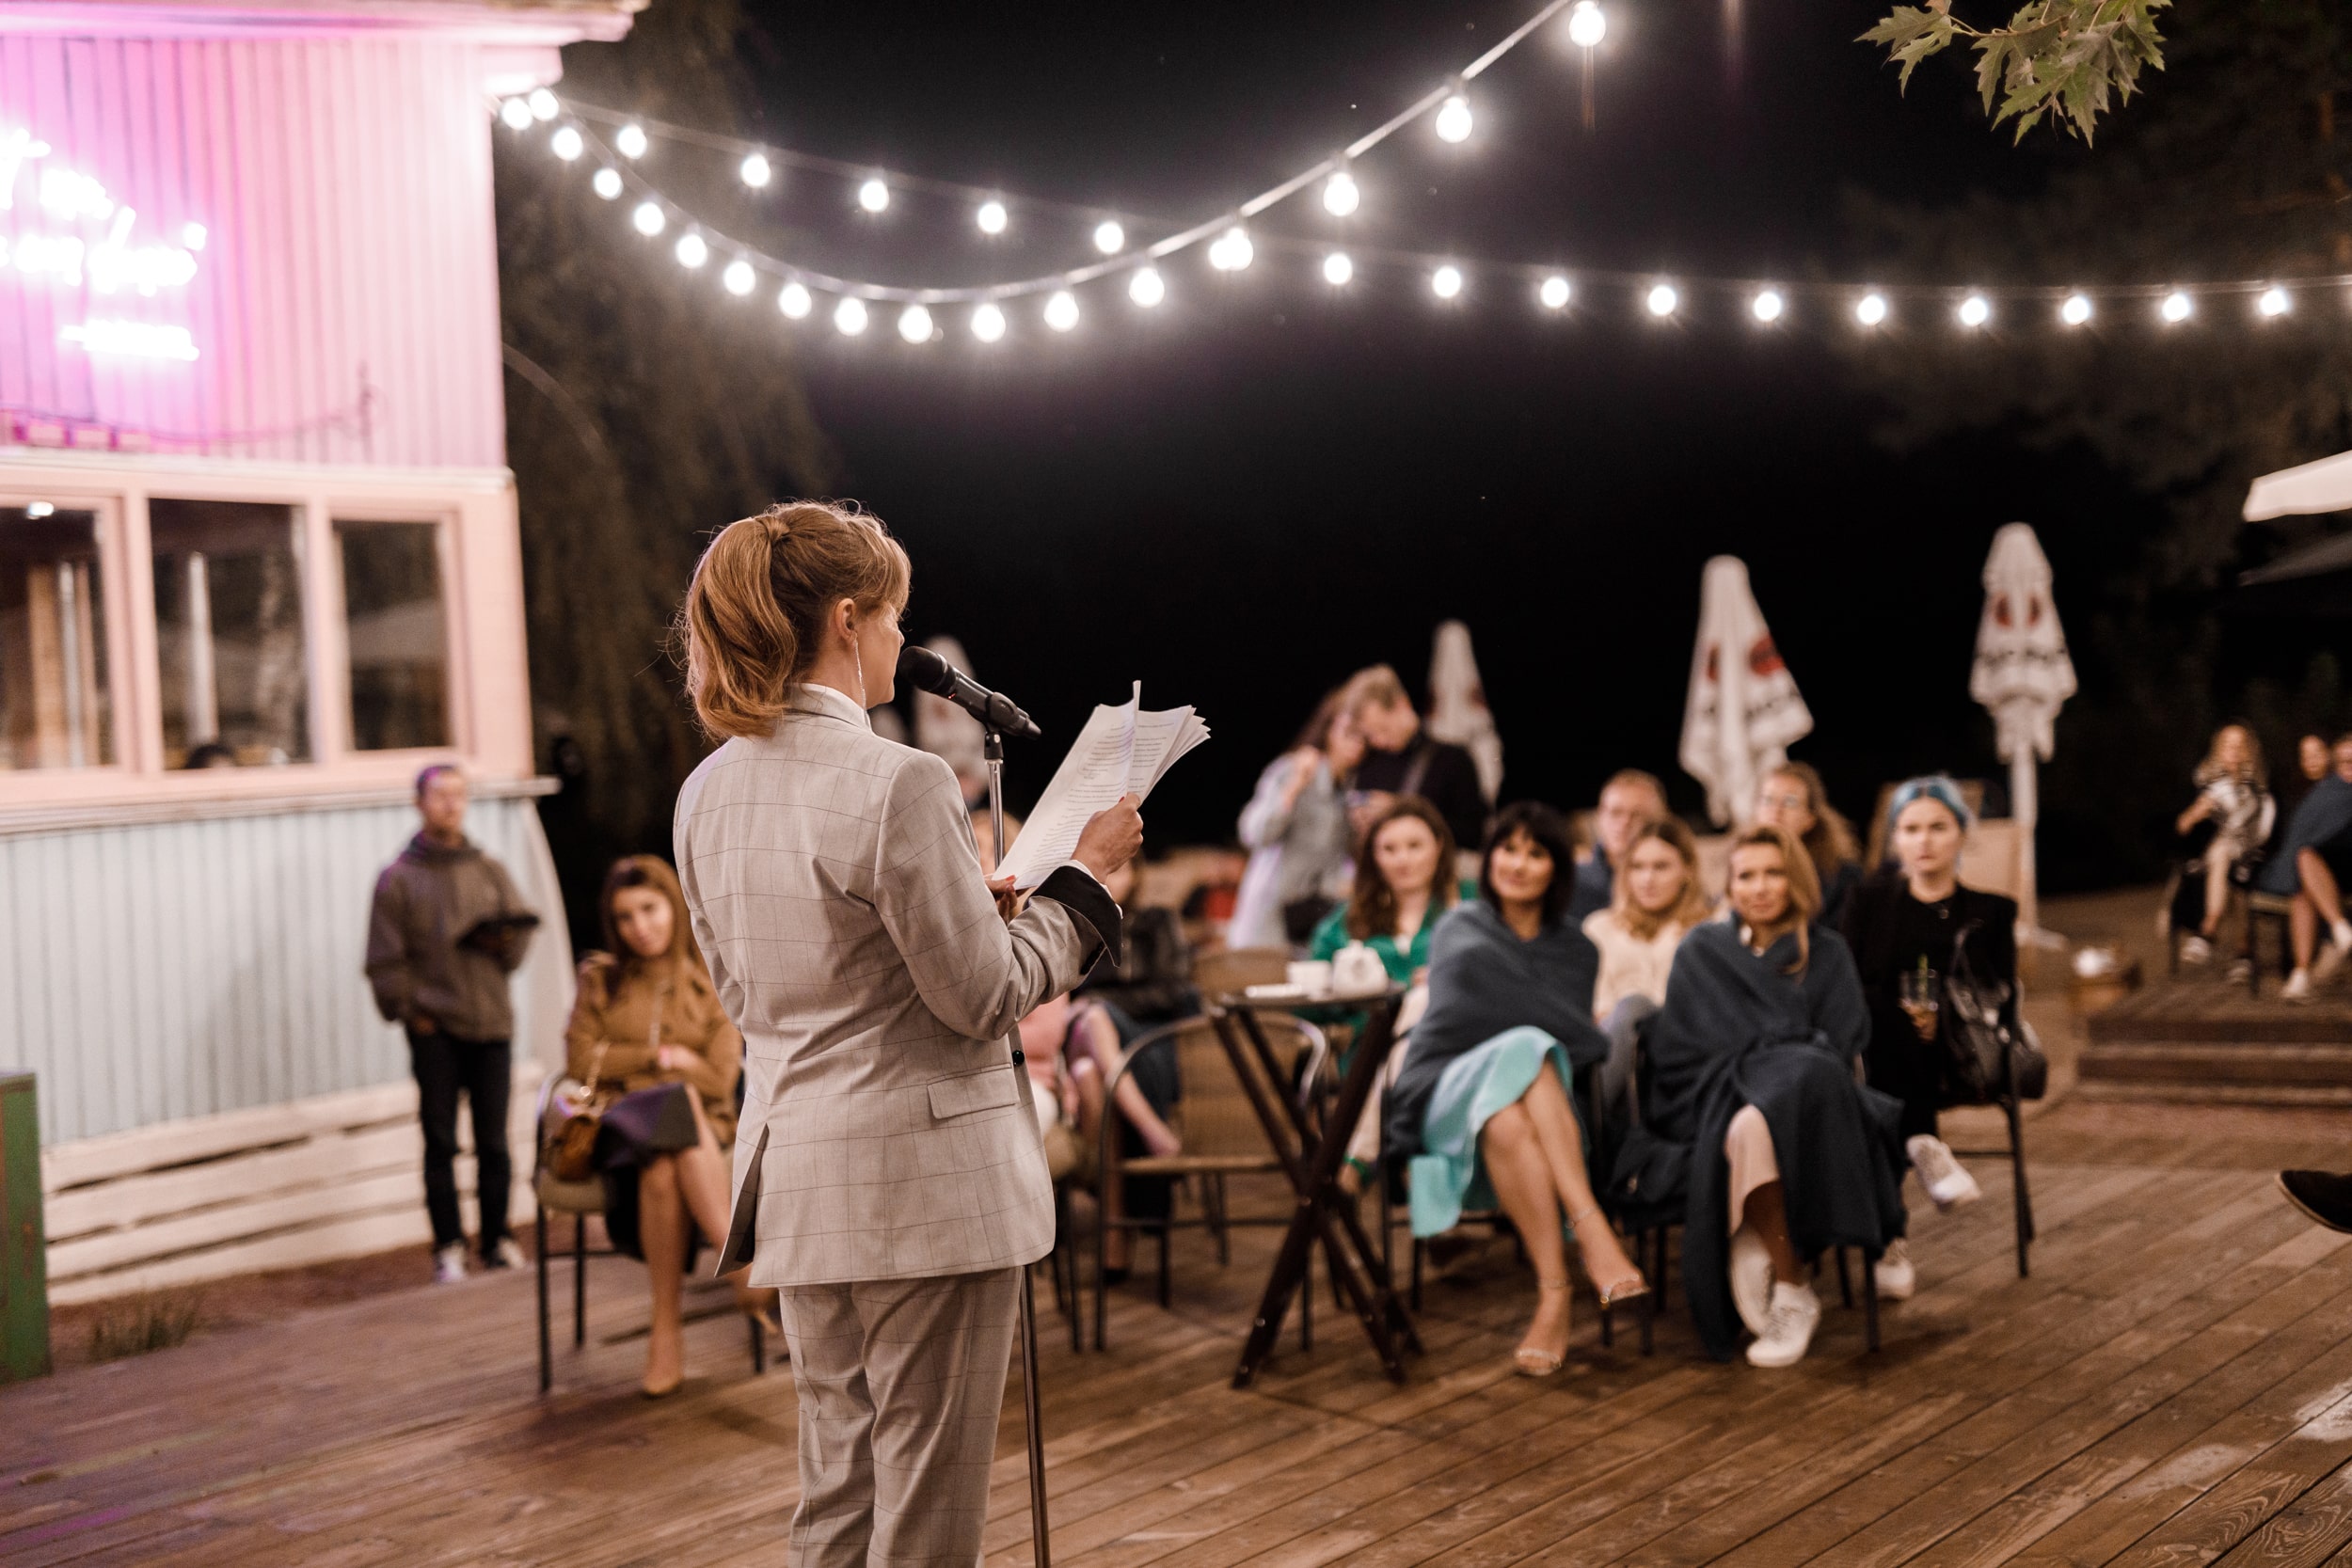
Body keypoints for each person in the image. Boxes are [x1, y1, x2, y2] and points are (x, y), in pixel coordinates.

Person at [672, 500, 1140, 1564]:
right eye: (892, 615)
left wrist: (968, 913)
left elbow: (755, 991)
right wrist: (1086, 884)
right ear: (847, 618)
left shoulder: (706, 790)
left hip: (799, 1179)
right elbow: (986, 998)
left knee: (837, 1496)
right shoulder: (903, 780)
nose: (899, 638)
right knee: (928, 1515)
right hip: (925, 1194)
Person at [1624, 824, 1906, 1368]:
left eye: (1773, 873)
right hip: (1711, 1095)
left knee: (1774, 1103)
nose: (1759, 887)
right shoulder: (1701, 950)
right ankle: (1785, 1269)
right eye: (1745, 875)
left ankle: (1785, 1279)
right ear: (1728, 885)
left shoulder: (1826, 951)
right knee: (1753, 1113)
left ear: (1795, 879)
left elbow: (1838, 1048)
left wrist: (1769, 1056)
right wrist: (1772, 1050)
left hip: (1808, 1106)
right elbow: (1679, 1047)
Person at [1383, 802, 1649, 1377]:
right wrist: (1555, 1026)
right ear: (1490, 857)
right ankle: (1591, 1226)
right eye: (1508, 849)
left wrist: (1548, 1027)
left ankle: (1554, 1296)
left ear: (1558, 868)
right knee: (1528, 1042)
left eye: (1536, 853)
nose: (1518, 864)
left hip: (1534, 1110)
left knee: (1510, 1102)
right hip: (1444, 1090)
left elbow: (1571, 1043)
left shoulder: (1578, 949)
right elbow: (1472, 1017)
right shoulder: (1460, 926)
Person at [564, 855, 778, 1396]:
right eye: (625, 916)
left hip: (703, 1128)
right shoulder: (600, 979)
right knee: (672, 1106)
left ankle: (666, 1334)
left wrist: (639, 1066)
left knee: (665, 1153)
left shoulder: (713, 979)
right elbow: (580, 1061)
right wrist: (663, 1058)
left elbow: (719, 1078)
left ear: (674, 907)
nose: (639, 926)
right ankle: (737, 1263)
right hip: (619, 1129)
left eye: (649, 909)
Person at [365, 764, 538, 1285]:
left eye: (459, 795)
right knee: (441, 1143)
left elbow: (518, 940)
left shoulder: (490, 870)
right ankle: (449, 1248)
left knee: (494, 1143)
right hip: (435, 1030)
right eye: (440, 795)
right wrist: (413, 1014)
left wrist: (503, 942)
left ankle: (498, 1240)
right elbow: (384, 962)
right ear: (419, 802)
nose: (451, 804)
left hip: (492, 1024)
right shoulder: (398, 879)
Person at [1841, 777, 2012, 1301]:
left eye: (1938, 827)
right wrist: (1903, 1018)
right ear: (1895, 838)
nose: (1924, 840)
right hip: (1880, 1053)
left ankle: (1890, 1240)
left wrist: (1945, 1021)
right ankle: (1923, 1144)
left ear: (1962, 833)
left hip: (1958, 1057)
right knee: (1880, 1013)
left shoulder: (1991, 911)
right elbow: (1848, 986)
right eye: (1911, 829)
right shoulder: (1869, 902)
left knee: (1883, 1092)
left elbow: (1998, 998)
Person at [1228, 689, 1365, 950]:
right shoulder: (1294, 769)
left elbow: (1335, 865)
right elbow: (1253, 833)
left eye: (1364, 737)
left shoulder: (1348, 793)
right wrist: (1293, 787)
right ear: (1329, 729)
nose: (1357, 744)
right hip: (1268, 917)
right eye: (1350, 732)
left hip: (1311, 922)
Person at [1310, 795, 1462, 986]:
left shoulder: (1468, 904)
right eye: (1389, 849)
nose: (1403, 859)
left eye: (1415, 846)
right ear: (1374, 855)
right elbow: (1313, 980)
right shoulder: (1350, 917)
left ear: (1438, 846)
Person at [1343, 664, 1489, 856]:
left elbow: (1474, 835)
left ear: (1402, 704)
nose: (1378, 741)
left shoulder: (1452, 760)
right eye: (1370, 735)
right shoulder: (1368, 762)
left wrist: (1404, 812)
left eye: (1383, 728)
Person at [1584, 816, 1713, 1022]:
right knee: (1631, 1007)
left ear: (1687, 870)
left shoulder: (1709, 930)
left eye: (1661, 867)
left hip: (1684, 1032)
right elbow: (1596, 1008)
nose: (1647, 879)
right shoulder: (1600, 927)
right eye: (1637, 867)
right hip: (1616, 1032)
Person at [2258, 733, 2352, 1001]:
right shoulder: (2326, 792)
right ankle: (2306, 968)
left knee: (2304, 873)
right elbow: (2299, 836)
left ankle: (2308, 969)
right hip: (2325, 870)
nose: (2349, 765)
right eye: (2344, 761)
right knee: (2303, 868)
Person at [2172, 724, 2274, 965]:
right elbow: (2182, 827)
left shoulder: (2260, 789)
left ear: (2250, 751)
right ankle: (2239, 950)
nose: (2234, 751)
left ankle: (2209, 932)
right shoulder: (2212, 787)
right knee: (2223, 855)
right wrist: (2196, 814)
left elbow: (2264, 832)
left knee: (2234, 869)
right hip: (2217, 861)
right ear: (2218, 751)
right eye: (2228, 746)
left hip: (2256, 857)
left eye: (2240, 746)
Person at [1756, 762, 1864, 930]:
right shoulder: (1741, 865)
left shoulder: (1841, 877)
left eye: (1790, 802)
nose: (1776, 810)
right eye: (1768, 800)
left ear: (1810, 818)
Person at [1567, 769, 1670, 924]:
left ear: (1660, 820)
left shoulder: (1675, 883)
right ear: (1600, 816)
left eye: (1637, 814)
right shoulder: (1570, 882)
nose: (1625, 822)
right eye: (1615, 812)